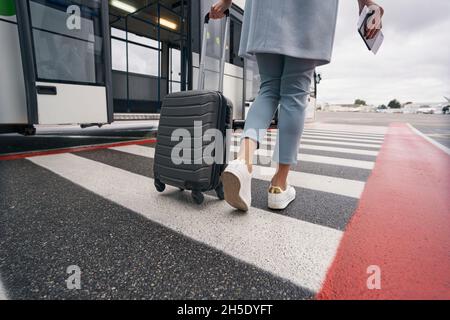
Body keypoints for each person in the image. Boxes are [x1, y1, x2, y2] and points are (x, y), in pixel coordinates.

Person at [210, 0, 384, 211]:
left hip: (265, 8)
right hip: (308, 9)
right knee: (294, 94)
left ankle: (242, 162)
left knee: (268, 89)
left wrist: (226, 2)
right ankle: (278, 185)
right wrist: (365, 3)